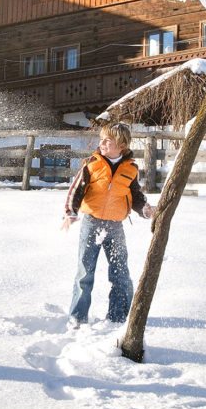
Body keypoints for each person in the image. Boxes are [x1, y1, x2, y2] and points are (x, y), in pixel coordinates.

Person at [62, 123, 154, 326]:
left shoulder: (130, 169)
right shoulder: (92, 164)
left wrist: (145, 210)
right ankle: (77, 317)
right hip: (91, 223)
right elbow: (76, 190)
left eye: (107, 140)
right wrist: (70, 212)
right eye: (101, 139)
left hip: (115, 226)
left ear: (121, 145)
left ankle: (118, 317)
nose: (102, 143)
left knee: (120, 272)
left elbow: (136, 196)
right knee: (85, 272)